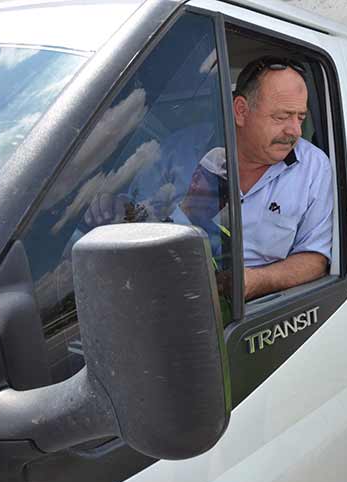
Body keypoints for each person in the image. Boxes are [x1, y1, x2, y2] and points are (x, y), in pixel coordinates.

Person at [84, 56, 334, 300]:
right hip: (163, 295)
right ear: (241, 111)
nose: (295, 131)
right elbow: (136, 216)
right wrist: (112, 208)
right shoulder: (177, 152)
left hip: (259, 316)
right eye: (281, 117)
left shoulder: (314, 167)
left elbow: (315, 259)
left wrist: (254, 282)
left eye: (300, 117)